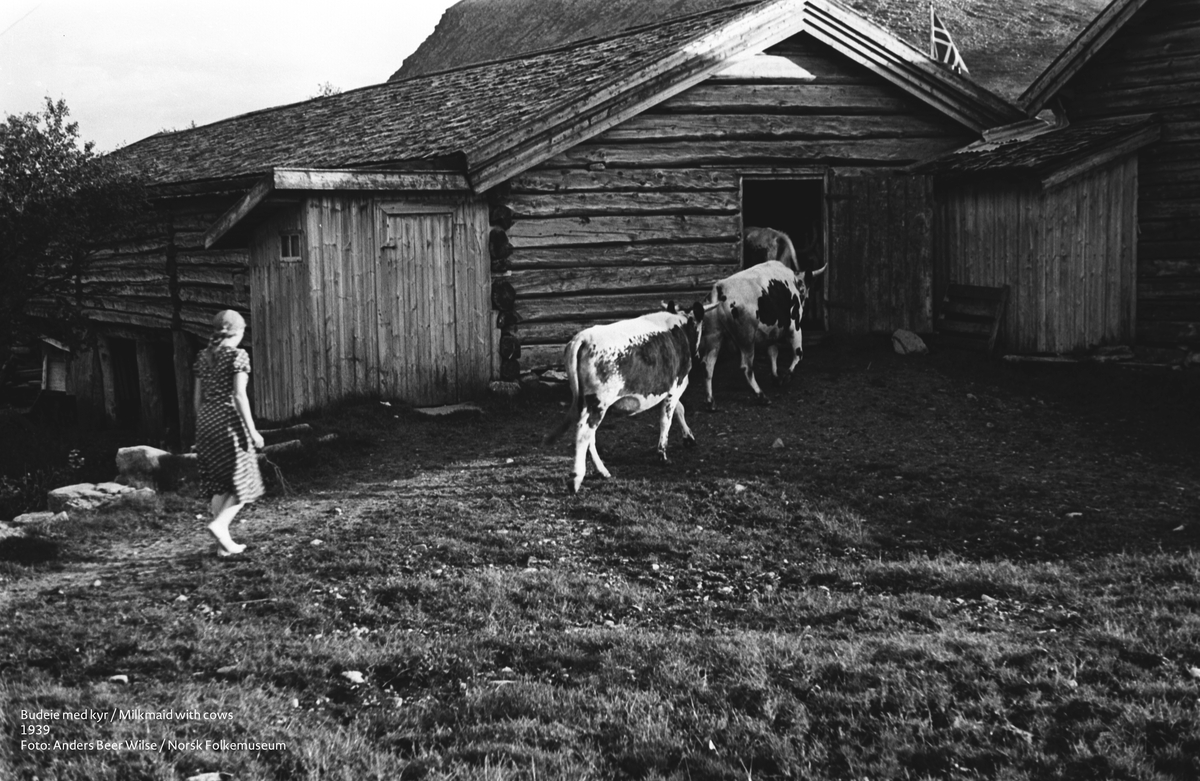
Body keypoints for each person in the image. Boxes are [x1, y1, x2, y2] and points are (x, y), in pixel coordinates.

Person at [193, 310, 264, 557]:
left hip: (205, 422)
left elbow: (197, 398)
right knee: (246, 482)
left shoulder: (204, 357)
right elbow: (238, 395)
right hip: (228, 422)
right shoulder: (237, 356)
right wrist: (252, 431)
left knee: (219, 484)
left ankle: (222, 546)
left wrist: (200, 425)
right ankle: (221, 525)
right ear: (240, 332)